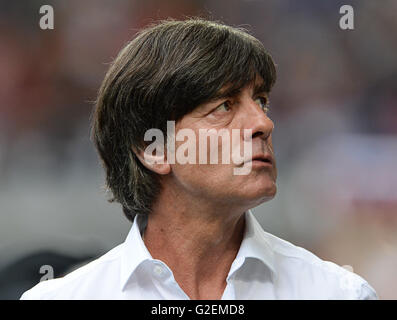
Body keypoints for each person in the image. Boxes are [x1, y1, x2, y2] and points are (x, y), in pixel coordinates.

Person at [20, 18, 377, 300]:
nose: (264, 123)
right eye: (224, 105)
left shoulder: (339, 293)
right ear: (153, 148)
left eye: (261, 101)